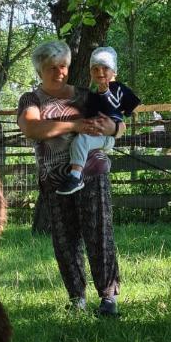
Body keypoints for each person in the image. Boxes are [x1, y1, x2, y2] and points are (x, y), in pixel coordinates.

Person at [17, 40, 124, 317]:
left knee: (99, 232)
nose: (59, 72)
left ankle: (109, 297)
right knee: (65, 240)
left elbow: (117, 124)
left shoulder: (84, 96)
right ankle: (77, 298)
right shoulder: (31, 100)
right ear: (40, 70)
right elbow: (32, 127)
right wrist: (75, 125)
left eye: (63, 66)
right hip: (55, 179)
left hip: (92, 171)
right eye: (52, 68)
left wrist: (112, 127)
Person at [56, 46, 141, 195]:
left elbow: (122, 109)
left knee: (81, 140)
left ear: (114, 71)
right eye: (95, 69)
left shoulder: (120, 89)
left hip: (106, 136)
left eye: (105, 68)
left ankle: (76, 176)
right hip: (94, 134)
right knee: (77, 140)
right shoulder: (92, 95)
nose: (100, 72)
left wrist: (107, 94)